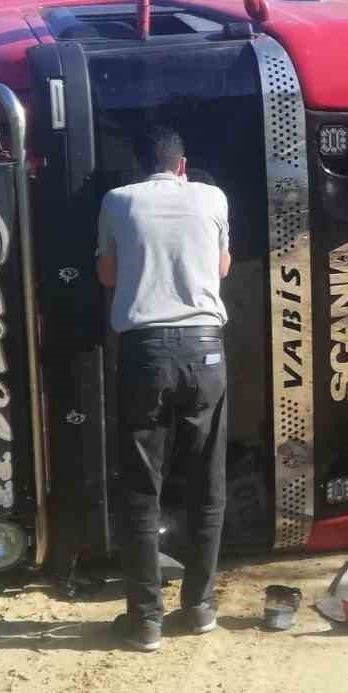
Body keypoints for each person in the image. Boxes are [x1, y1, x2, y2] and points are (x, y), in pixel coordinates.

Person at [96, 126, 230, 651]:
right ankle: (198, 608)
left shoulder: (118, 201)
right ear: (182, 164)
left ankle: (146, 620)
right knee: (207, 480)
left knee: (140, 485)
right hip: (206, 349)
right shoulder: (212, 197)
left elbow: (107, 276)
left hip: (144, 353)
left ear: (140, 166)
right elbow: (220, 268)